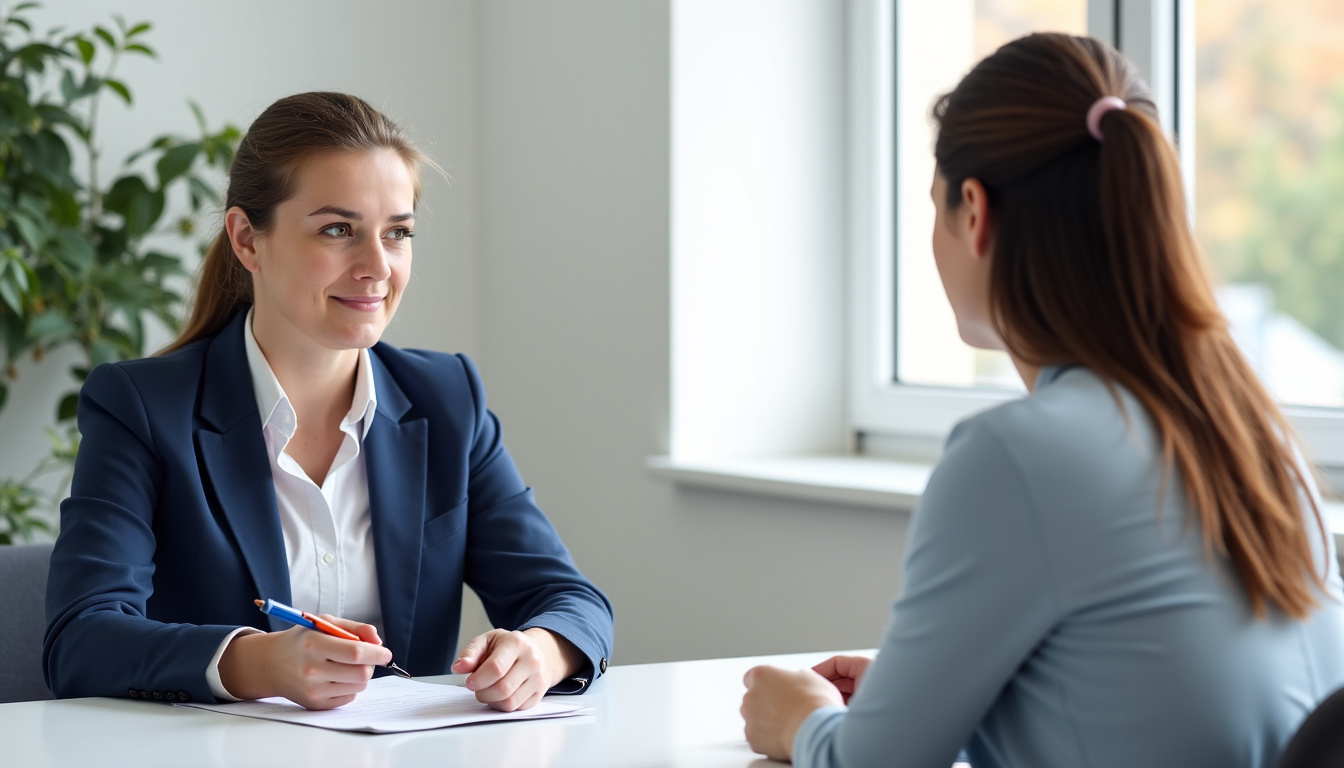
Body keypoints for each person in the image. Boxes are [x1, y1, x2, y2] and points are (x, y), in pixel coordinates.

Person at [740, 33, 1344, 768]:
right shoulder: (1251, 430)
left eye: (935, 207)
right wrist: (922, 698)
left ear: (973, 211)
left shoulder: (1014, 456)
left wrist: (801, 720)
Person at [44, 92, 613, 712]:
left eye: (397, 233)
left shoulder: (447, 399)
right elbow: (80, 638)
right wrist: (259, 661)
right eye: (338, 230)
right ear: (246, 240)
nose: (377, 266)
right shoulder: (142, 407)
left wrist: (542, 649)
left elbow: (569, 599)